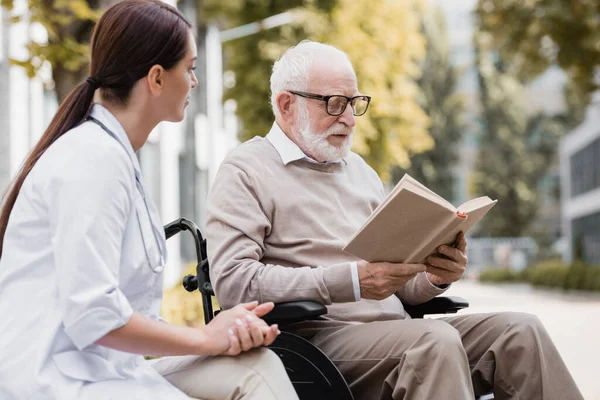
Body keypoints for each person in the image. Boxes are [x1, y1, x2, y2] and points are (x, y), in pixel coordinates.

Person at [205, 40, 584, 400]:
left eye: (355, 103)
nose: (351, 120)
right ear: (286, 104)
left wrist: (434, 276)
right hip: (316, 340)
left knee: (521, 331)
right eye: (336, 104)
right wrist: (351, 281)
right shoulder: (246, 170)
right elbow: (233, 284)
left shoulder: (360, 171)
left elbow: (398, 285)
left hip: (397, 330)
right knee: (434, 341)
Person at [0, 2, 298, 399]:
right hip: (57, 381)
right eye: (190, 68)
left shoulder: (115, 156)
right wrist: (207, 339)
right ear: (156, 78)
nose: (195, 82)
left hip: (105, 370)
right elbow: (95, 316)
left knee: (255, 366)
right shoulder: (93, 159)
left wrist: (225, 334)